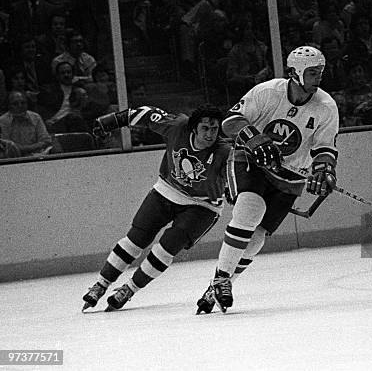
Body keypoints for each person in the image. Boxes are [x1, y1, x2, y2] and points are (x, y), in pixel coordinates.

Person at [196, 46, 339, 314]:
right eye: (311, 72)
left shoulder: (326, 106)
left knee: (257, 238)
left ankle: (219, 284)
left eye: (320, 72)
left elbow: (325, 148)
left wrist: (324, 170)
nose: (318, 77)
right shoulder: (267, 92)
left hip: (291, 174)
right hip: (251, 162)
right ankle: (222, 278)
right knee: (251, 209)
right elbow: (230, 121)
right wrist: (255, 137)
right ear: (295, 73)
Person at [82, 103, 231, 312]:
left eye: (214, 129)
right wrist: (113, 120)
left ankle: (129, 289)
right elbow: (146, 114)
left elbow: (239, 173)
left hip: (203, 205)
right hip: (167, 191)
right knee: (135, 239)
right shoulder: (178, 126)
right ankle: (101, 284)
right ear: (193, 128)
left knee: (166, 248)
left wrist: (236, 189)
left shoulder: (225, 151)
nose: (210, 134)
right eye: (205, 128)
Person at [0, 90, 52, 156]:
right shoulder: (2, 121)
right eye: (15, 104)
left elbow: (46, 141)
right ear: (9, 106)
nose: (20, 106)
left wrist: (21, 148)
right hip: (12, 159)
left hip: (37, 157)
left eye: (23, 103)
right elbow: (7, 147)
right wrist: (33, 147)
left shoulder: (36, 117)